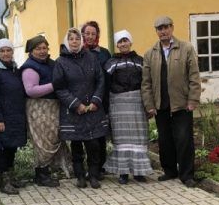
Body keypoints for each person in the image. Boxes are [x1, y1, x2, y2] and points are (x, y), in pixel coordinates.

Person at [141, 16, 201, 188]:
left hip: (181, 103)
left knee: (184, 139)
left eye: (166, 27)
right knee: (165, 140)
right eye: (159, 29)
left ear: (172, 28)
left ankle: (187, 174)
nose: (163, 31)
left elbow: (194, 76)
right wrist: (149, 105)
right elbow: (146, 83)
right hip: (161, 105)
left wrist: (193, 99)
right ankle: (169, 171)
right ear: (156, 32)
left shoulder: (186, 48)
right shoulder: (150, 53)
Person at [53, 27, 109, 189]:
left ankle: (93, 175)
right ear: (67, 41)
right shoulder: (60, 62)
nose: (75, 42)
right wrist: (76, 104)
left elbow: (100, 80)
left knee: (93, 146)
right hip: (74, 112)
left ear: (81, 41)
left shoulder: (91, 58)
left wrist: (95, 101)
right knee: (77, 147)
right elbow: (60, 88)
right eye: (71, 39)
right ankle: (80, 177)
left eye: (77, 39)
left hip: (92, 110)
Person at [103, 30, 153, 184]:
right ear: (116, 45)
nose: (123, 44)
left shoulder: (140, 61)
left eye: (125, 41)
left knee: (138, 137)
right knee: (121, 139)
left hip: (137, 103)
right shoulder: (110, 63)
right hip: (118, 104)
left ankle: (139, 172)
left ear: (130, 42)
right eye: (120, 42)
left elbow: (147, 83)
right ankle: (123, 172)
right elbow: (106, 85)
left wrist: (148, 104)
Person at [20, 35, 71, 187]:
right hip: (38, 107)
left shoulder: (51, 63)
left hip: (52, 106)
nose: (42, 51)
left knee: (53, 138)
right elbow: (31, 90)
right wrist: (54, 85)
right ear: (31, 50)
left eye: (44, 48)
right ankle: (41, 174)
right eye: (38, 49)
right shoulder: (30, 67)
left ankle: (49, 170)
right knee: (43, 141)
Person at [0, 39, 27, 195]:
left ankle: (11, 177)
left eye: (8, 50)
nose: (6, 53)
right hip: (2, 118)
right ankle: (4, 181)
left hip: (15, 116)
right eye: (2, 51)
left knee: (12, 148)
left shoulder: (13, 69)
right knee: (4, 149)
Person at [81, 21, 112, 173]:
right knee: (86, 135)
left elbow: (109, 76)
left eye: (93, 34)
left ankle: (100, 167)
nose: (90, 37)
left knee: (100, 134)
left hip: (102, 99)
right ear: (82, 35)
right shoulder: (77, 52)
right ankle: (88, 167)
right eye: (87, 34)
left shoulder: (104, 53)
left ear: (97, 36)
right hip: (82, 100)